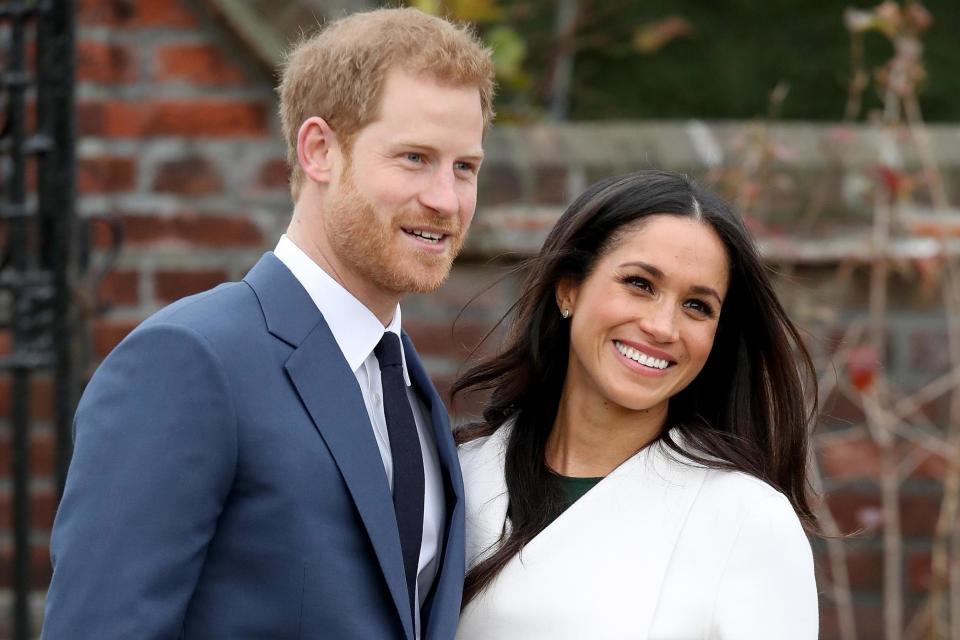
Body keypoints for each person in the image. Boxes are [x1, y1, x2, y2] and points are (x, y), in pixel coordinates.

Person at [42, 8, 494, 640]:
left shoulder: (411, 392)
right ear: (319, 150)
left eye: (464, 167)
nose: (446, 199)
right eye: (414, 158)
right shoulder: (190, 360)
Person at [453, 171, 819, 639]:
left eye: (697, 306)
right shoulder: (458, 477)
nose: (663, 326)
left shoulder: (746, 520)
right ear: (569, 288)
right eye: (640, 284)